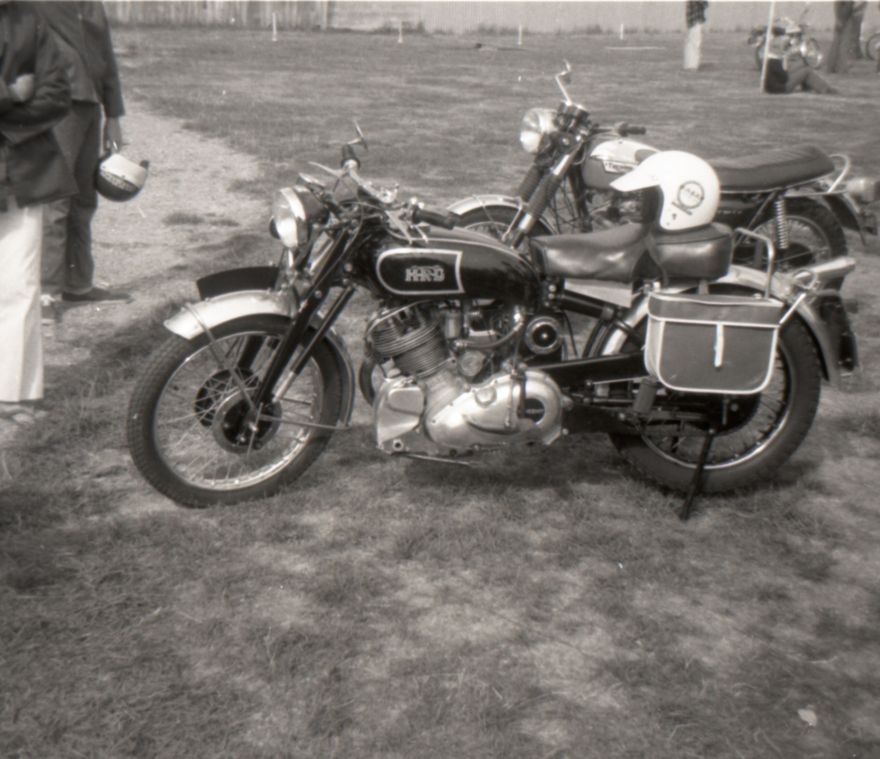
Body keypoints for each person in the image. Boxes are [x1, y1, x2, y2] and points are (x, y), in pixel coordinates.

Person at [0, 0, 75, 427]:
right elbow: (28, 93)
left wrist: (7, 123)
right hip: (21, 154)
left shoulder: (28, 19)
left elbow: (56, 95)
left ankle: (12, 393)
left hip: (24, 174)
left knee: (19, 285)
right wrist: (11, 92)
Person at [36, 1, 131, 316]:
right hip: (57, 103)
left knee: (84, 199)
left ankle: (78, 285)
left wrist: (113, 114)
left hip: (89, 105)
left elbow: (105, 55)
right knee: (56, 199)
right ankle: (46, 293)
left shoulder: (92, 4)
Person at [763, 26, 837, 94]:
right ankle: (825, 89)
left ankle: (823, 88)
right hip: (781, 88)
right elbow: (784, 77)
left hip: (778, 86)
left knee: (805, 71)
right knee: (806, 70)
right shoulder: (774, 61)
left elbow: (783, 74)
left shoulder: (771, 60)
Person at [826, 0, 856, 73]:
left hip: (841, 17)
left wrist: (838, 19)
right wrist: (841, 21)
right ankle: (841, 68)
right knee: (844, 44)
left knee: (837, 43)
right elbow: (847, 7)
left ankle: (832, 67)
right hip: (845, 19)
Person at [684, 1, 709, 71]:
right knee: (695, 43)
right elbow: (705, 4)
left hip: (691, 21)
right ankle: (693, 65)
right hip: (696, 20)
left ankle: (689, 64)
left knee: (691, 43)